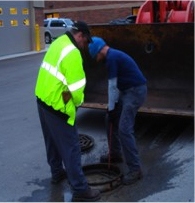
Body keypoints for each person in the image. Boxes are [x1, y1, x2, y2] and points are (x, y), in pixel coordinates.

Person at [34, 22, 101, 202]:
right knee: (71, 148)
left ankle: (57, 173)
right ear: (79, 35)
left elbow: (56, 75)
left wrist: (63, 94)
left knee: (51, 141)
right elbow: (77, 92)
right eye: (85, 41)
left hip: (42, 98)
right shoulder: (73, 54)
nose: (85, 45)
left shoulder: (59, 42)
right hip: (57, 107)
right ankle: (80, 189)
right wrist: (74, 103)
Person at [88, 37, 147, 185]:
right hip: (127, 91)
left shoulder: (112, 58)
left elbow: (112, 86)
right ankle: (115, 153)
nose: (96, 59)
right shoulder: (112, 55)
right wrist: (111, 109)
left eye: (95, 56)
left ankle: (135, 169)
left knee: (124, 129)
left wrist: (112, 107)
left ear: (99, 51)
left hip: (135, 92)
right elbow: (115, 87)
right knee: (109, 119)